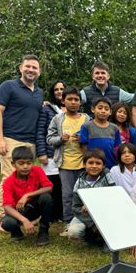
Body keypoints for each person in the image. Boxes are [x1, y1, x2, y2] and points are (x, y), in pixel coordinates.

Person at [0, 54, 44, 231]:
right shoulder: (8, 86)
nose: (31, 70)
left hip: (31, 143)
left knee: (27, 179)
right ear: (20, 68)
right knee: (9, 178)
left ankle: (22, 215)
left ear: (39, 71)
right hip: (10, 139)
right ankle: (2, 218)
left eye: (34, 67)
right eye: (27, 66)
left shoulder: (39, 92)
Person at [47, 87, 90, 234]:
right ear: (63, 101)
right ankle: (68, 221)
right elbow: (49, 139)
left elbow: (93, 136)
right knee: (67, 195)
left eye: (76, 99)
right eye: (69, 99)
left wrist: (84, 139)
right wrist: (60, 139)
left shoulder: (86, 118)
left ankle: (85, 220)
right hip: (64, 163)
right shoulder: (58, 119)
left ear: (80, 102)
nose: (73, 102)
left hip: (84, 163)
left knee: (84, 193)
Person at [1, 146, 53, 246]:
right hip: (19, 211)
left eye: (29, 163)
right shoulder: (8, 182)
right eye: (21, 163)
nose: (25, 166)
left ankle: (43, 231)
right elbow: (7, 206)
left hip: (34, 208)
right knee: (7, 223)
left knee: (46, 197)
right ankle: (16, 232)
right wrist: (24, 220)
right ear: (13, 164)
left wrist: (27, 195)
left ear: (33, 163)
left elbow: (49, 187)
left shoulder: (37, 170)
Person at [68, 150, 115, 249]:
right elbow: (75, 207)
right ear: (84, 164)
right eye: (90, 163)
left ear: (103, 166)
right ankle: (90, 237)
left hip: (104, 214)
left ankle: (106, 239)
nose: (94, 166)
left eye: (98, 163)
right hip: (86, 216)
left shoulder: (107, 177)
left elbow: (113, 197)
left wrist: (92, 204)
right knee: (73, 231)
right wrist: (92, 223)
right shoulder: (79, 183)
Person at [36, 80, 66, 222]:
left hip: (68, 154)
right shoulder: (47, 109)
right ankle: (52, 215)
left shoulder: (75, 108)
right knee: (51, 185)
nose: (59, 91)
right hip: (50, 153)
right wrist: (41, 152)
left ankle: (62, 214)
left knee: (64, 185)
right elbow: (41, 131)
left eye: (62, 89)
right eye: (56, 89)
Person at [79, 96, 121, 169]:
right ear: (93, 109)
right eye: (100, 108)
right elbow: (83, 147)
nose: (103, 111)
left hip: (111, 165)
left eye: (106, 109)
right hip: (93, 165)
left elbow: (117, 147)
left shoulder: (114, 128)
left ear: (110, 112)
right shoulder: (86, 126)